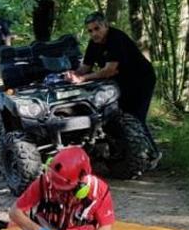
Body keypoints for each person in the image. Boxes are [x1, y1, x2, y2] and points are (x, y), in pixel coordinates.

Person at [65, 12, 156, 140]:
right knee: (117, 115)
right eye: (90, 31)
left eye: (97, 28)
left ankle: (149, 154)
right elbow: (85, 67)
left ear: (106, 26)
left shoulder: (116, 38)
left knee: (135, 118)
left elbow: (109, 71)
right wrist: (72, 74)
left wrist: (82, 79)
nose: (94, 33)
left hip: (141, 80)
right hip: (121, 82)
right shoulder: (93, 43)